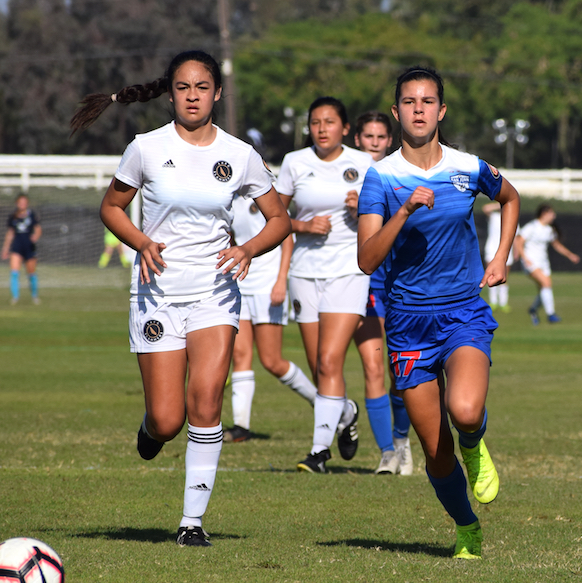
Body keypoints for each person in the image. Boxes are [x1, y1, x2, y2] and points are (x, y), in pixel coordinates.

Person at [70, 50, 291, 546]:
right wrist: (142, 241)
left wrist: (249, 248)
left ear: (217, 93)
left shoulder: (240, 154)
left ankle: (192, 522)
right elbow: (111, 208)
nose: (193, 96)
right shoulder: (145, 148)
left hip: (215, 293)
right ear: (170, 94)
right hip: (156, 293)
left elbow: (279, 219)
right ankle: (151, 429)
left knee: (207, 402)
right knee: (169, 419)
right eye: (184, 87)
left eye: (202, 87)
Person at [357, 66, 520, 560]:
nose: (419, 109)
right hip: (407, 324)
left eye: (428, 101)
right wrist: (403, 210)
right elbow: (367, 258)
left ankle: (475, 442)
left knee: (465, 412)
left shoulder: (467, 166)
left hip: (462, 313)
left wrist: (499, 257)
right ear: (396, 112)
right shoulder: (381, 177)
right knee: (434, 451)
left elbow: (510, 198)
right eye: (409, 102)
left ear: (441, 111)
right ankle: (466, 526)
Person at [276, 97, 394, 474]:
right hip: (303, 273)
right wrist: (303, 226)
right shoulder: (295, 163)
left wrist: (366, 208)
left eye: (329, 122)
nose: (322, 128)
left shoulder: (363, 163)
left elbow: (390, 213)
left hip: (349, 271)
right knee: (317, 366)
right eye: (315, 122)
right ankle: (345, 410)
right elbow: (274, 217)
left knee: (330, 360)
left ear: (345, 129)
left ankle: (318, 452)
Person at [224, 195, 319, 443]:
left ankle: (322, 402)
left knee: (272, 361)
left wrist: (281, 281)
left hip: (268, 285)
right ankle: (241, 426)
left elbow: (286, 238)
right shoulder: (230, 196)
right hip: (241, 282)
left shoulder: (268, 194)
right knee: (240, 355)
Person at [351, 110, 413, 475]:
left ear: (388, 140)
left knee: (399, 368)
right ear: (358, 139)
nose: (374, 143)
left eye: (380, 138)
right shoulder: (343, 171)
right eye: (368, 137)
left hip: (401, 278)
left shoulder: (397, 171)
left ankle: (403, 438)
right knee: (373, 365)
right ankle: (387, 452)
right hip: (360, 280)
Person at [515, 204, 580, 325]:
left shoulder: (549, 230)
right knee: (546, 283)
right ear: (544, 214)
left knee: (544, 289)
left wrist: (570, 255)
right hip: (531, 262)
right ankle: (551, 314)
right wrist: (524, 258)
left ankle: (533, 309)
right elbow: (519, 242)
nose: (553, 216)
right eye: (551, 213)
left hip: (544, 263)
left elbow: (557, 245)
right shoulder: (532, 226)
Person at [2, 194, 41, 305]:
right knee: (14, 272)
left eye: (24, 202)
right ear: (17, 203)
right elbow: (10, 233)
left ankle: (35, 296)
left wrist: (36, 236)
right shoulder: (13, 217)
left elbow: (38, 229)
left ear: (27, 203)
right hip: (17, 247)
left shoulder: (31, 215)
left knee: (31, 273)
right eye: (20, 202)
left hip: (29, 247)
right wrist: (5, 248)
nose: (22, 204)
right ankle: (15, 297)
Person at [482, 201, 514, 312]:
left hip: (506, 252)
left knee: (504, 277)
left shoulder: (511, 218)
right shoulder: (494, 216)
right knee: (490, 276)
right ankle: (493, 301)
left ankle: (503, 302)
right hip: (491, 250)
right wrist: (501, 203)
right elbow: (485, 208)